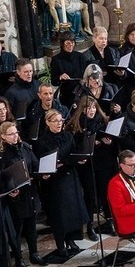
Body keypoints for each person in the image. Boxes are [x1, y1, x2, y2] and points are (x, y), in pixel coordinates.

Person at [32, 109, 89, 258]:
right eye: (55, 121)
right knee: (59, 214)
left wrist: (76, 159)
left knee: (72, 212)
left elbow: (73, 152)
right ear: (48, 122)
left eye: (60, 120)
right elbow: (42, 160)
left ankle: (71, 240)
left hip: (70, 177)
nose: (59, 124)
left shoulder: (68, 136)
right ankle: (60, 243)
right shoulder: (41, 141)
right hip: (54, 182)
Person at [0, 121, 44, 267]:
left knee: (31, 226)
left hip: (30, 192)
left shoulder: (25, 147)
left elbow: (35, 165)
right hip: (16, 197)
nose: (15, 136)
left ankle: (34, 254)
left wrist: (39, 174)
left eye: (16, 133)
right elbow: (0, 177)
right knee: (17, 230)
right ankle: (19, 260)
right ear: (3, 137)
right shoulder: (0, 155)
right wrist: (10, 190)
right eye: (11, 134)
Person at [67, 95, 116, 235]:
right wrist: (88, 144)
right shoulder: (75, 125)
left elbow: (114, 141)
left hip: (104, 162)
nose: (92, 110)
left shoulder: (104, 121)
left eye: (94, 107)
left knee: (105, 192)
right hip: (87, 165)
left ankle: (109, 220)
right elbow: (73, 146)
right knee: (90, 195)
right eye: (88, 108)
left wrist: (108, 142)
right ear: (82, 109)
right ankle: (89, 225)